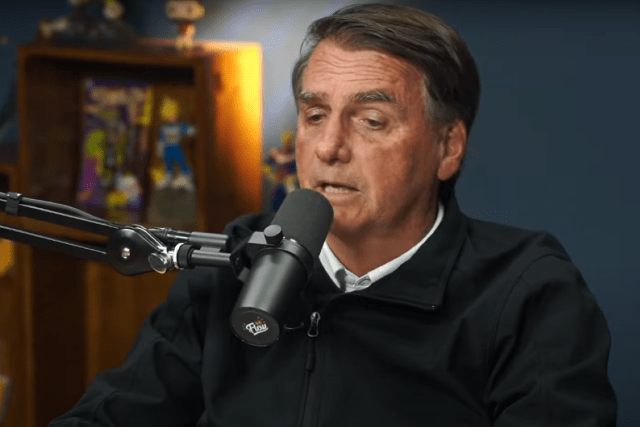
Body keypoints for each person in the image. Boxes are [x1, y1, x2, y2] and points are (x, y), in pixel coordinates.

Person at [49, 4, 617, 426]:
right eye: (315, 115)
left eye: (370, 121)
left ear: (448, 147)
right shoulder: (234, 261)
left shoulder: (528, 294)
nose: (328, 148)